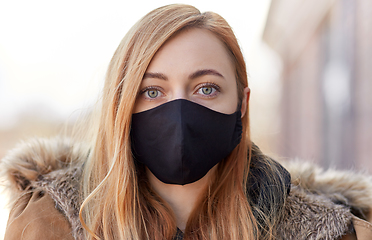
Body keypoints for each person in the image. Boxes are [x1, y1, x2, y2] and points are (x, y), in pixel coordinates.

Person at [1, 4, 372, 240]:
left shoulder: (331, 232)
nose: (179, 111)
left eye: (206, 88)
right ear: (121, 106)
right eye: (152, 91)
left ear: (242, 104)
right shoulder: (47, 223)